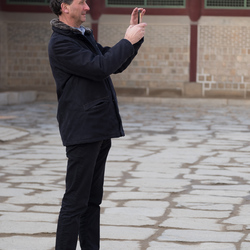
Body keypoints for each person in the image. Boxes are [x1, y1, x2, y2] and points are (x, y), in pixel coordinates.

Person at [48, 0, 147, 249]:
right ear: (64, 7)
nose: (87, 7)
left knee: (92, 201)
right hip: (82, 130)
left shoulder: (82, 36)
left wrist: (132, 41)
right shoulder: (61, 43)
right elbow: (99, 67)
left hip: (98, 128)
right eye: (81, 2)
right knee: (75, 202)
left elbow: (115, 63)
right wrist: (126, 40)